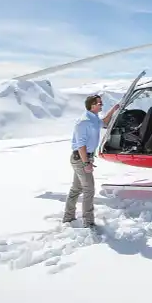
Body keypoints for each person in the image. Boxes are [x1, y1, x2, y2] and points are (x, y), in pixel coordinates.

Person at [63, 94, 118, 227]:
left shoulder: (93, 119)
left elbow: (104, 122)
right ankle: (88, 222)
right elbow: (81, 145)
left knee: (76, 188)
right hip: (81, 158)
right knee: (89, 189)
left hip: (84, 157)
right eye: (99, 104)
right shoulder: (83, 121)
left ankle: (68, 217)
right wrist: (86, 163)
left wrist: (114, 110)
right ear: (92, 105)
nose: (101, 105)